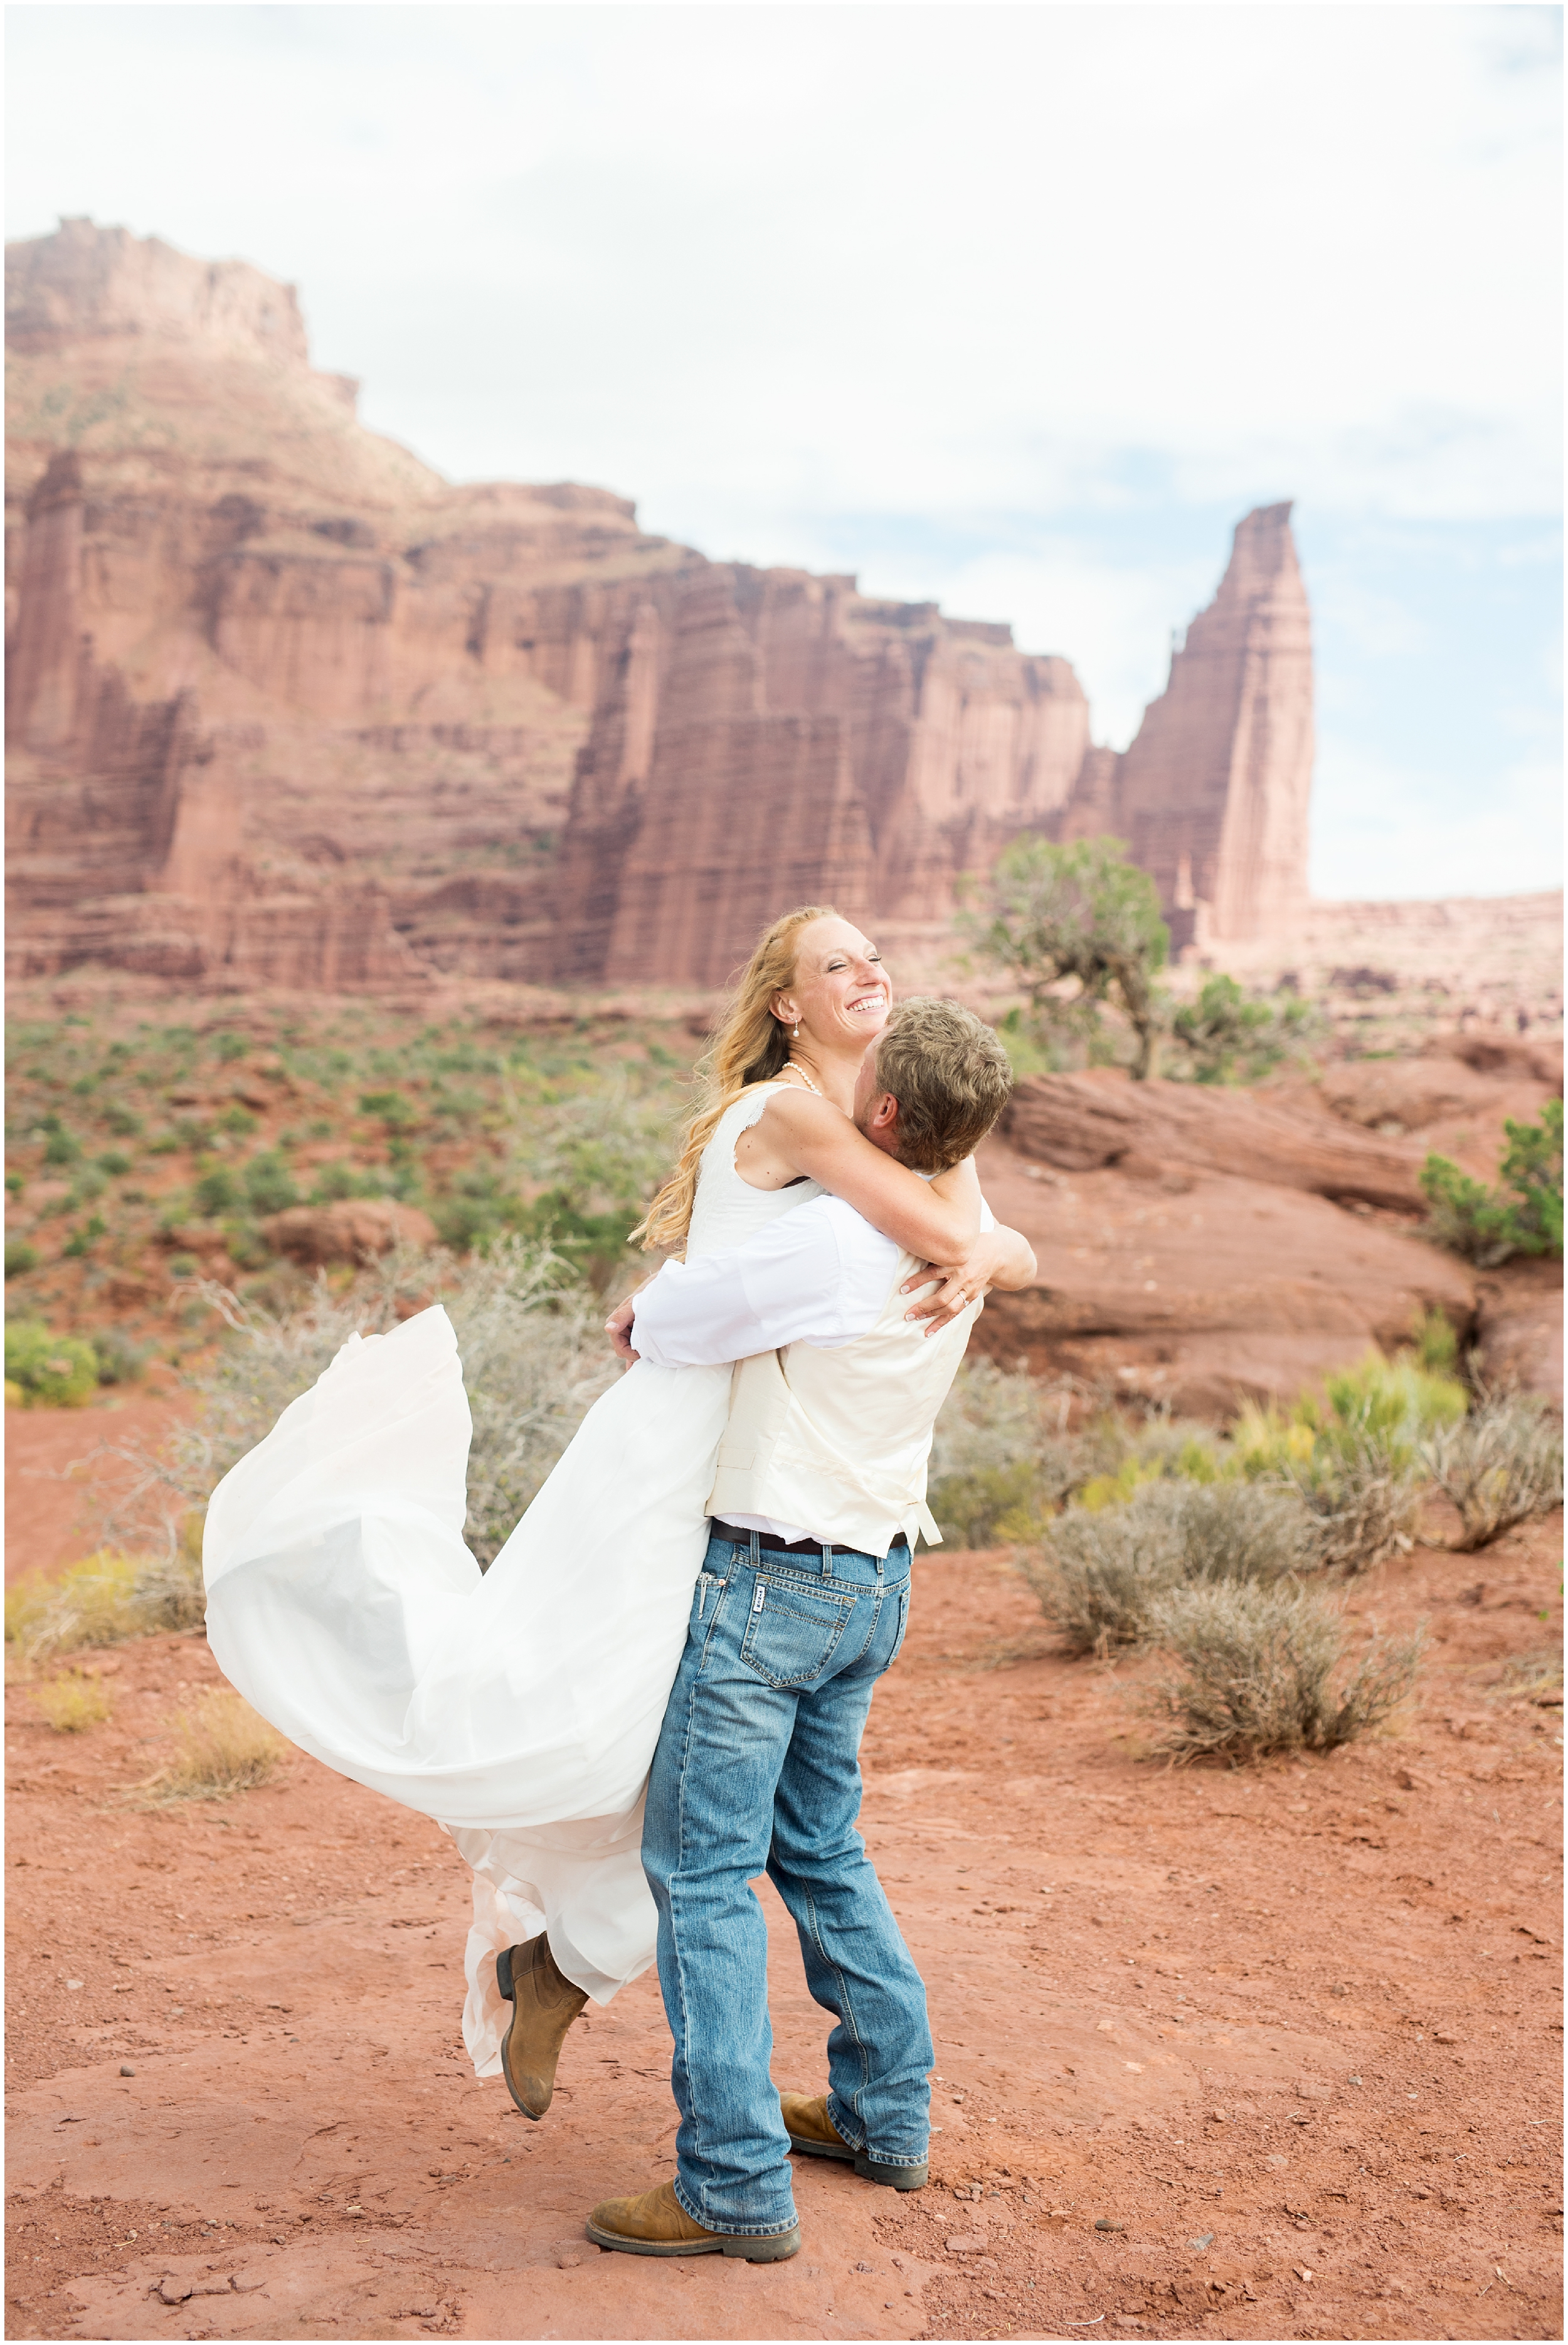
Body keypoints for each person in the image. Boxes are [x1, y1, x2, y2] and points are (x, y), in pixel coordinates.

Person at [200, 907, 1035, 2107]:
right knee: (631, 1730)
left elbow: (959, 1229)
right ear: (786, 1005)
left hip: (757, 1474)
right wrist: (988, 1249)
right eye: (836, 961)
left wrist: (996, 1248)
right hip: (707, 1456)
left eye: (875, 956)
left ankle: (569, 1970)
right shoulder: (805, 1114)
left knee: (676, 1765)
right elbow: (943, 1231)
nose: (870, 971)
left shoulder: (898, 1142)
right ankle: (622, 2009)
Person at [580, 996, 1027, 2263]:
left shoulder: (831, 1245)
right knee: (820, 1849)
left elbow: (665, 1326)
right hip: (873, 1582)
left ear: (880, 1115)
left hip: (769, 1585)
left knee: (705, 1879)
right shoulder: (967, 1234)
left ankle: (730, 2183)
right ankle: (883, 2116)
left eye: (859, 1083)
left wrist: (641, 1307)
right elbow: (1002, 1241)